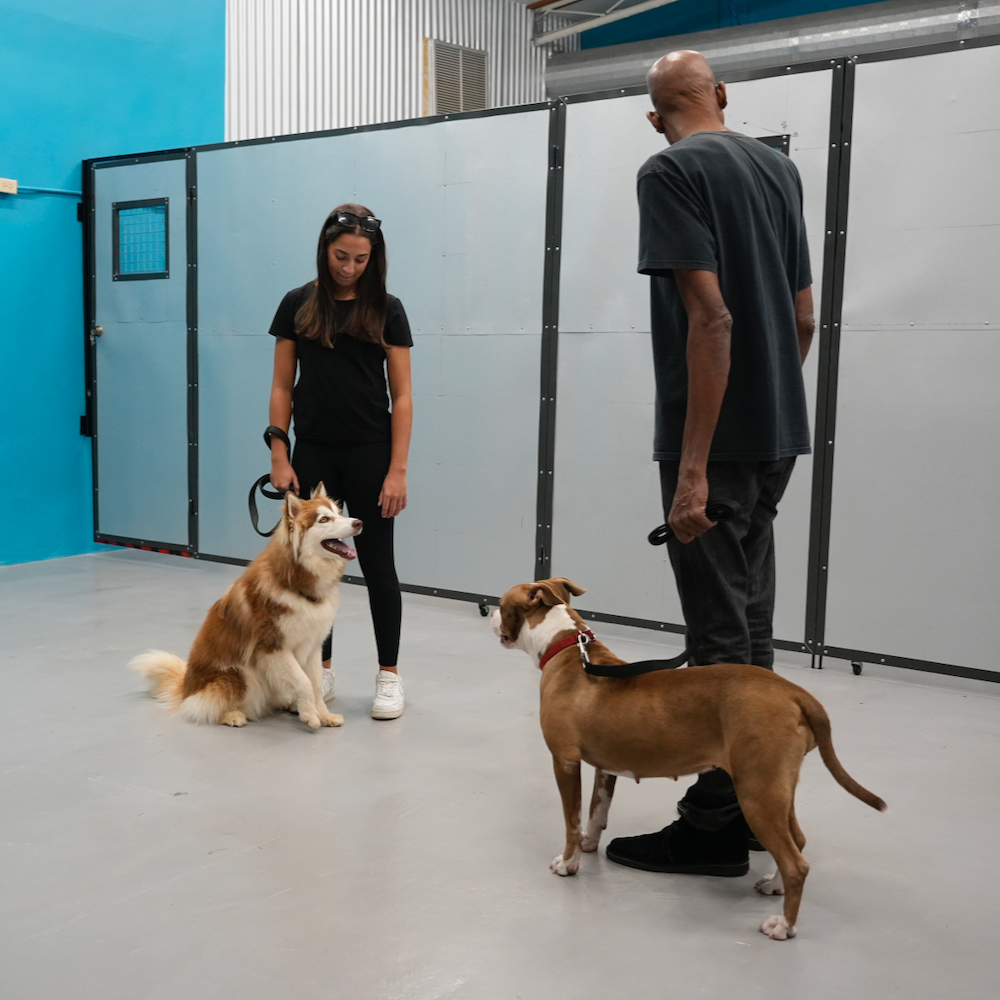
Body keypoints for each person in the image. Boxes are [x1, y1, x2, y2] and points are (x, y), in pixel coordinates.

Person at [605, 51, 815, 876]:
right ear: (722, 95)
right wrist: (770, 401)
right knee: (753, 622)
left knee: (721, 632)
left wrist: (693, 466)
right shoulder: (779, 170)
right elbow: (803, 318)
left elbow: (712, 319)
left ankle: (717, 824)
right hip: (776, 434)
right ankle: (761, 804)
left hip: (717, 444)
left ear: (654, 117)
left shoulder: (668, 172)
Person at [267, 203, 413, 720]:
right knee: (314, 567)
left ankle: (389, 676)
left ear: (374, 258)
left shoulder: (388, 309)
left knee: (378, 566)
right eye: (340, 256)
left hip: (371, 452)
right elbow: (282, 386)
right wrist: (280, 453)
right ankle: (320, 671)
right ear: (324, 250)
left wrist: (397, 470)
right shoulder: (297, 304)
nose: (349, 268)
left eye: (360, 259)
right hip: (314, 452)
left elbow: (403, 396)